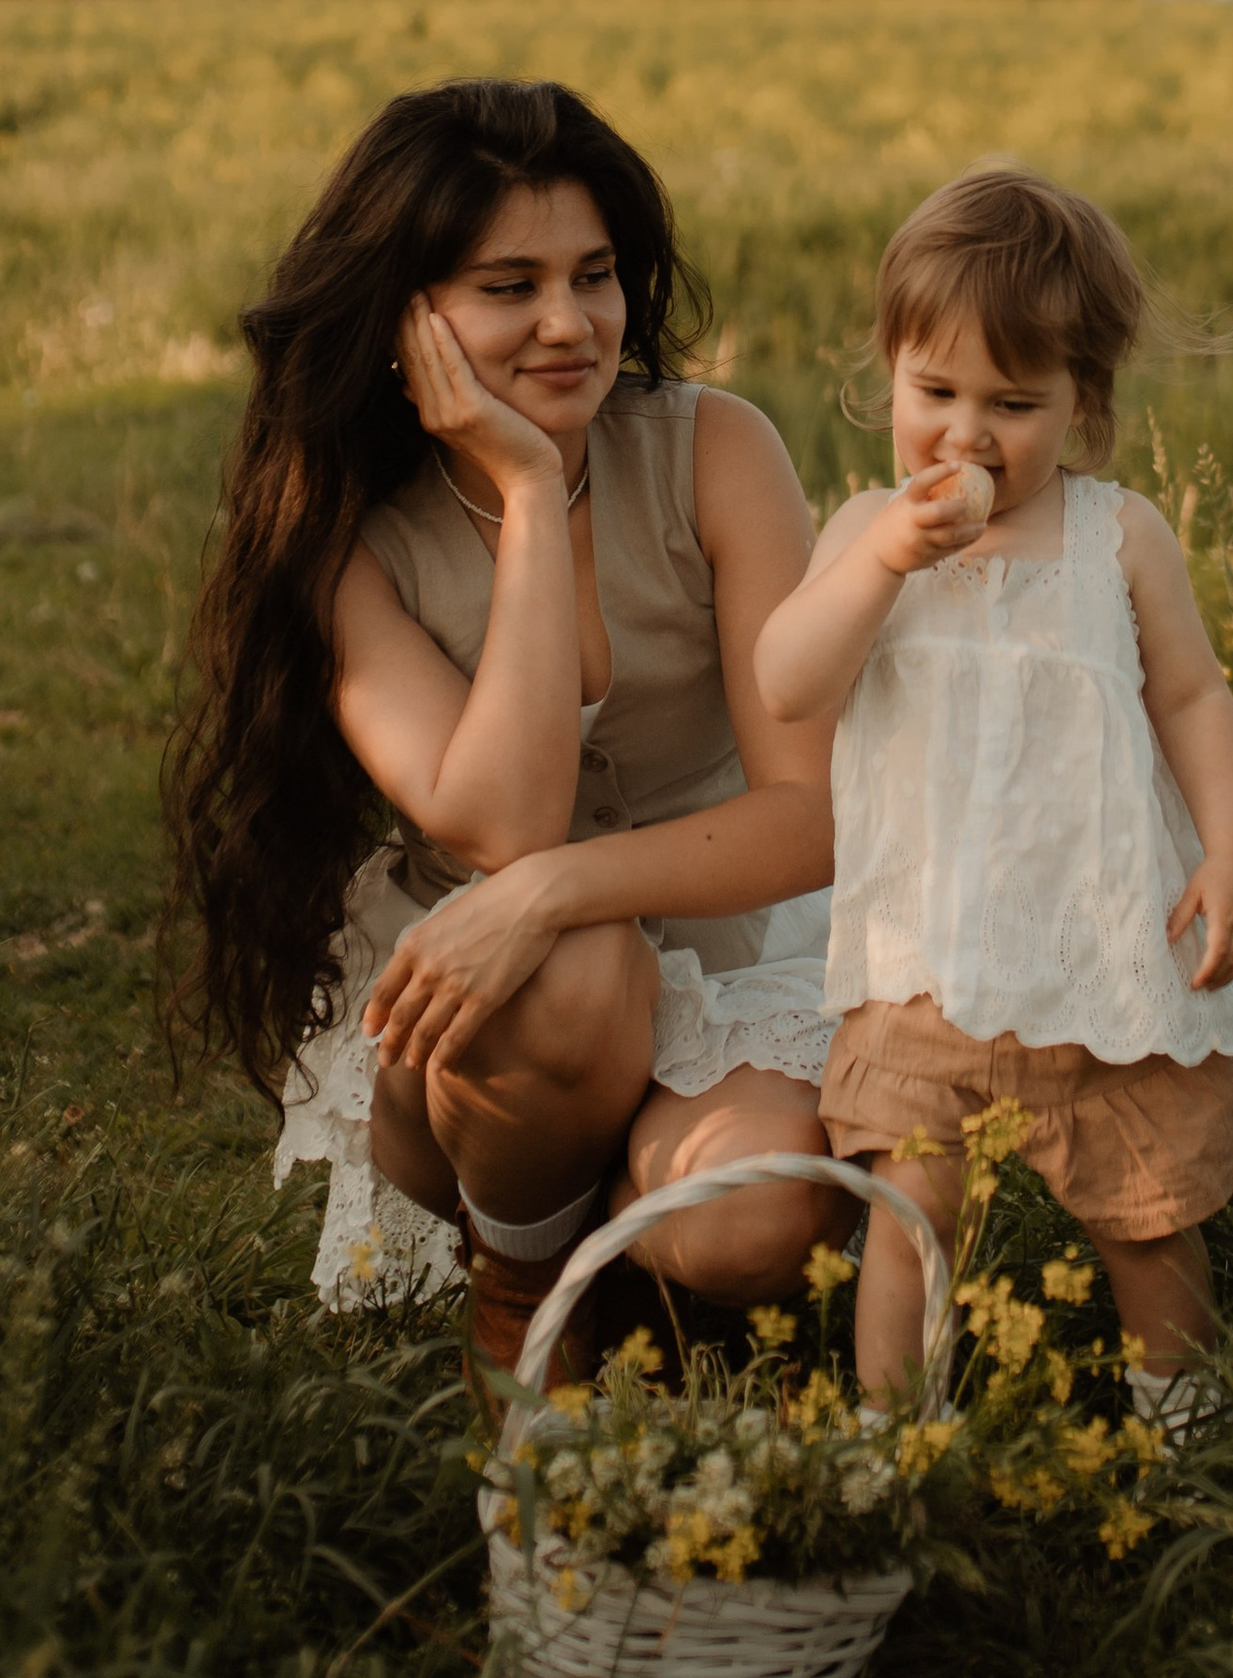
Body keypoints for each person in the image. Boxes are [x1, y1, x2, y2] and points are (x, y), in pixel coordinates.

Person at [167, 76, 844, 1387]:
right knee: (570, 965)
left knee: (752, 1221)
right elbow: (505, 825)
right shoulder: (341, 541)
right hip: (487, 1029)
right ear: (402, 314)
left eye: (594, 276)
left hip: (729, 957)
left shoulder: (719, 454)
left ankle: (640, 1266)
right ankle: (525, 1303)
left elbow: (806, 814)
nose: (568, 323)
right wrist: (530, 488)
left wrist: (553, 892)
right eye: (506, 286)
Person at [754, 168, 1233, 1426]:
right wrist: (876, 560)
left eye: (1013, 404)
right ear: (888, 378)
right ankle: (889, 1438)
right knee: (907, 1220)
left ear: (1081, 406)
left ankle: (1177, 1418)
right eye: (934, 394)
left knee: (1146, 1219)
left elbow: (1193, 699)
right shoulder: (868, 532)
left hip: (1099, 959)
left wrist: (1232, 853)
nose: (965, 437)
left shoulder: (1116, 537)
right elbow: (785, 684)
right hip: (925, 965)